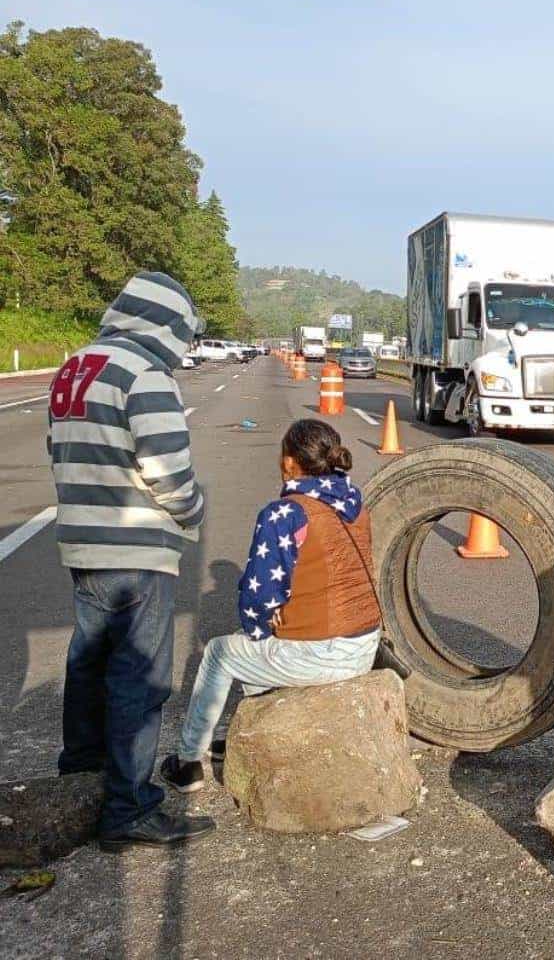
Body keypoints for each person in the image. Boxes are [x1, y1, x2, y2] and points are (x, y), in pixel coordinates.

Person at [50, 271, 214, 851]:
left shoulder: (77, 366)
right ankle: (127, 808)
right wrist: (195, 510)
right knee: (137, 680)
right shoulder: (144, 375)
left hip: (83, 543)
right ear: (166, 324)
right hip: (137, 549)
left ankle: (81, 781)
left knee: (88, 665)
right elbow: (168, 472)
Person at [160, 419, 382, 792]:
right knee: (255, 647)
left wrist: (263, 627)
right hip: (363, 643)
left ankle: (187, 762)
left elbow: (258, 598)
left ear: (290, 463)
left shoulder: (285, 513)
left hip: (324, 653)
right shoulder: (355, 504)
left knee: (222, 651)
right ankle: (255, 736)